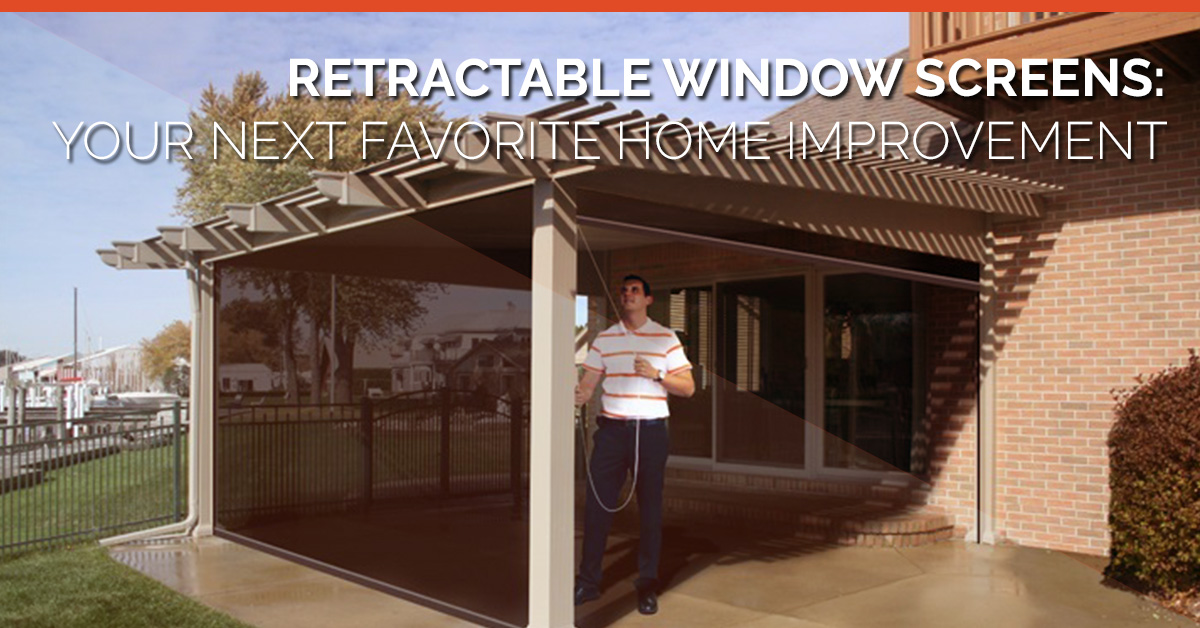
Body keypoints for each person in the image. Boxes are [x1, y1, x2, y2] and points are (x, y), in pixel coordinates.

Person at [574, 274, 695, 615]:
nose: (627, 295)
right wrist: (582, 393)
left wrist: (656, 375)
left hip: (651, 433)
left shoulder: (666, 338)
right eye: (624, 291)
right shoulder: (605, 339)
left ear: (648, 300)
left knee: (650, 511)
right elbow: (588, 383)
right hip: (612, 433)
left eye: (635, 291)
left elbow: (688, 388)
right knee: (597, 507)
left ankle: (647, 585)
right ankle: (587, 583)